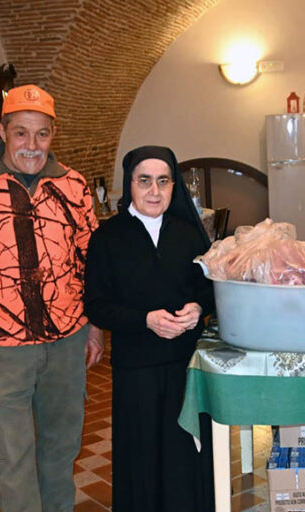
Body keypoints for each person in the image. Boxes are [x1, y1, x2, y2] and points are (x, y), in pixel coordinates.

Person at [0, 84, 104, 511]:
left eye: (41, 133)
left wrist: (95, 326)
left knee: (61, 452)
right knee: (13, 456)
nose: (31, 144)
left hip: (67, 342)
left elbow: (93, 262)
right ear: (1, 131)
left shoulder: (73, 185)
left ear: (53, 134)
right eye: (21, 132)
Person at [84, 146, 215, 511]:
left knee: (184, 451)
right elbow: (96, 304)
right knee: (141, 456)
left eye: (163, 181)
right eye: (145, 181)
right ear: (129, 184)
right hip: (136, 366)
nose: (154, 191)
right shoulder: (108, 237)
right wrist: (145, 320)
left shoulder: (188, 233)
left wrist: (198, 307)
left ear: (174, 186)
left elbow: (210, 286)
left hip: (184, 364)